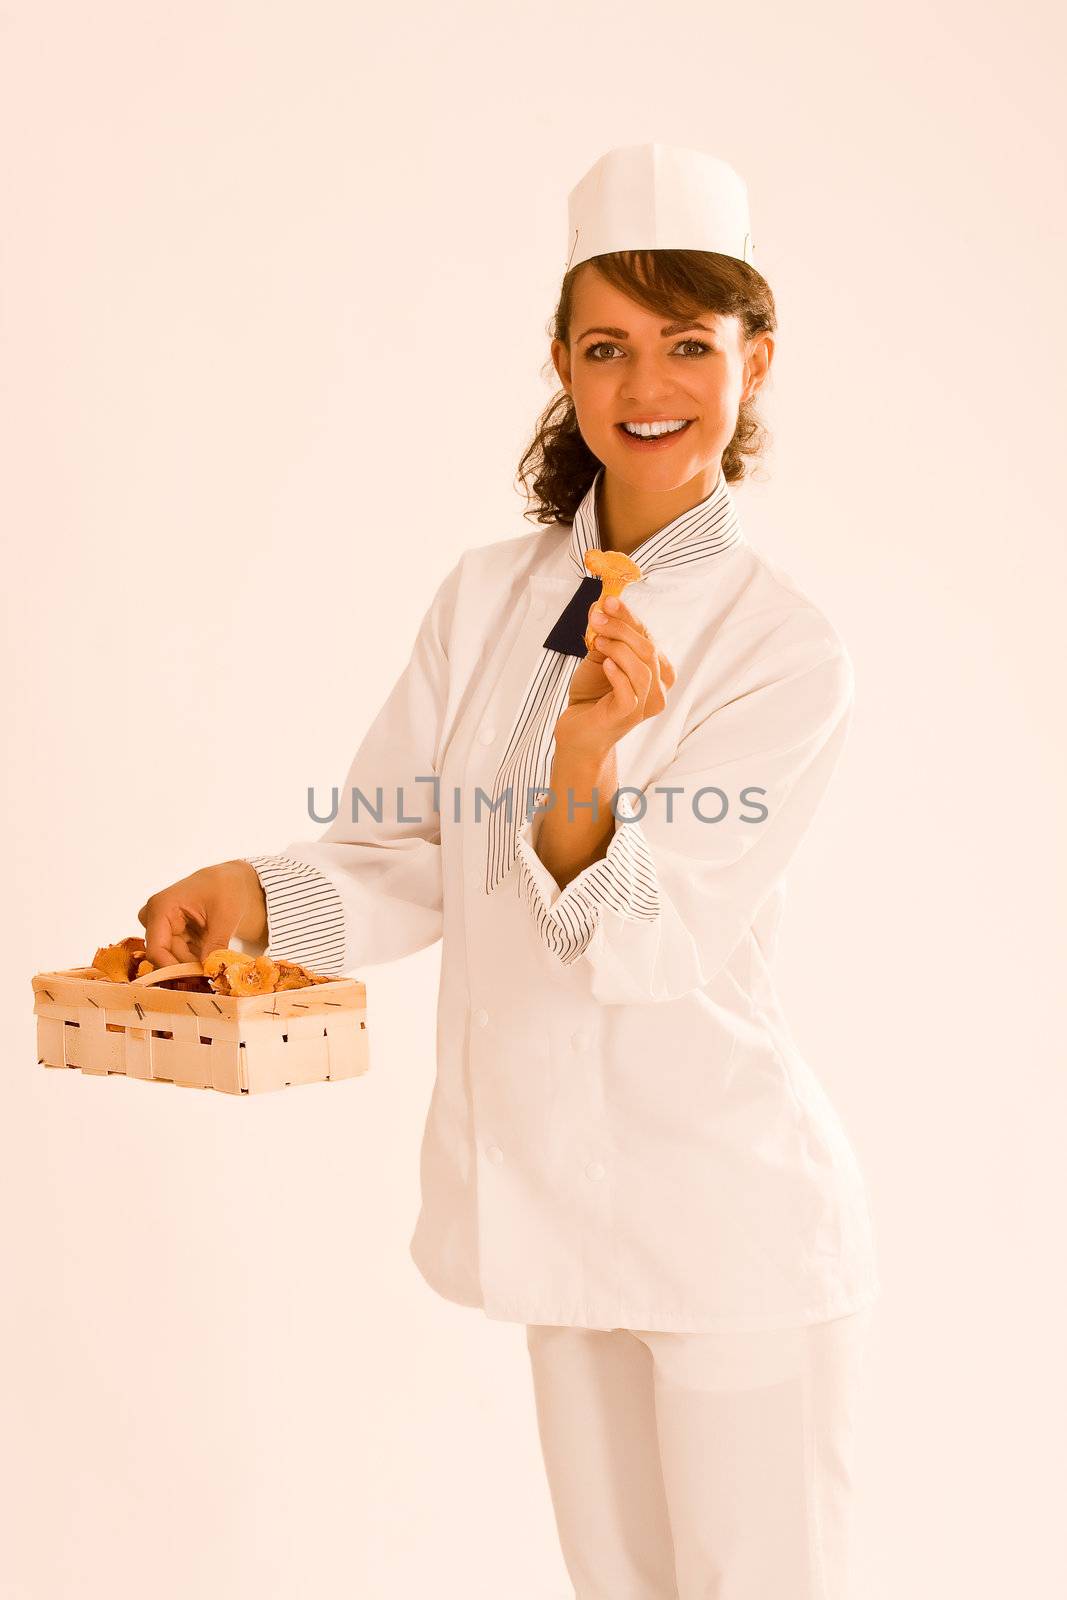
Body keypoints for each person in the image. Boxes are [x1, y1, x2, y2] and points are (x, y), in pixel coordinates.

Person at [139, 143, 881, 1599]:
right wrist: (253, 892)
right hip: (558, 1216)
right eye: (607, 346)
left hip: (731, 1226)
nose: (647, 384)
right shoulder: (489, 597)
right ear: (559, 357)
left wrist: (586, 769)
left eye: (690, 344)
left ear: (758, 360)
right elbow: (403, 849)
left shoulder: (784, 648)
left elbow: (650, 944)